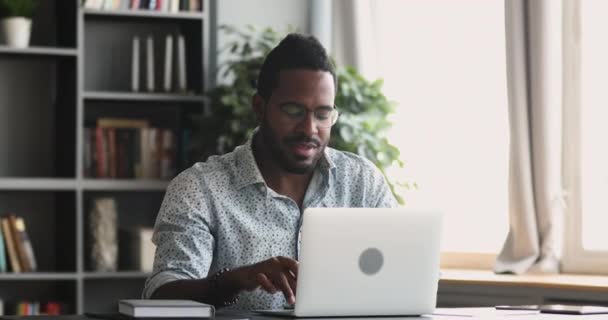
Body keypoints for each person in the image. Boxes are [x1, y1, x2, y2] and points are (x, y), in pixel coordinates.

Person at [143, 33, 398, 310]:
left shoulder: (363, 182)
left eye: (323, 114)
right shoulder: (200, 189)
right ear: (259, 108)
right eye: (293, 110)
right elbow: (161, 297)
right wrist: (236, 279)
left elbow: (402, 273)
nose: (309, 129)